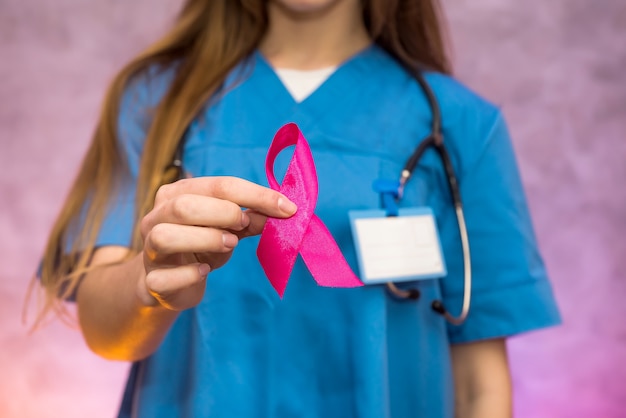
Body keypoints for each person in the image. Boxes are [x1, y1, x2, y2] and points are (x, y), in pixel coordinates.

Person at [37, 0, 561, 417]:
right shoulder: (153, 100)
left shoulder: (459, 125)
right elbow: (106, 332)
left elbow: (479, 389)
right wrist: (145, 281)